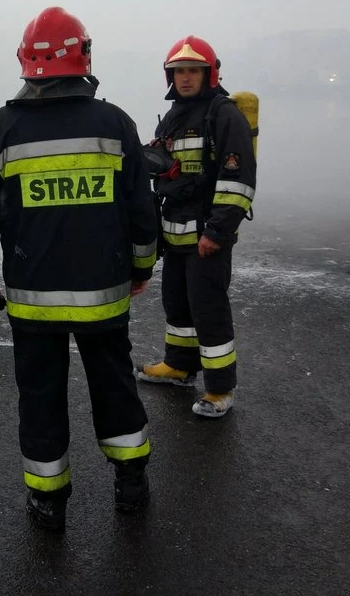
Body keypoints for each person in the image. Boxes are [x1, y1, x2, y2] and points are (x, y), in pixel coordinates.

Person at [0, 6, 160, 532]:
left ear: (25, 61)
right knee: (114, 383)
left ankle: (48, 502)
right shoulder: (115, 124)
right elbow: (141, 210)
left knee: (40, 396)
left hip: (33, 299)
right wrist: (142, 266)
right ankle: (131, 483)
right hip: (104, 293)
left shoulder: (2, 128)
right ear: (84, 57)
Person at [134, 36, 256, 419]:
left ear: (209, 74)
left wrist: (217, 232)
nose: (185, 78)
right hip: (175, 234)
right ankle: (179, 365)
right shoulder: (174, 116)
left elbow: (238, 181)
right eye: (179, 71)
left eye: (193, 71)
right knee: (177, 302)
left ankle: (220, 389)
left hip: (207, 234)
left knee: (209, 310)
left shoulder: (224, 115)